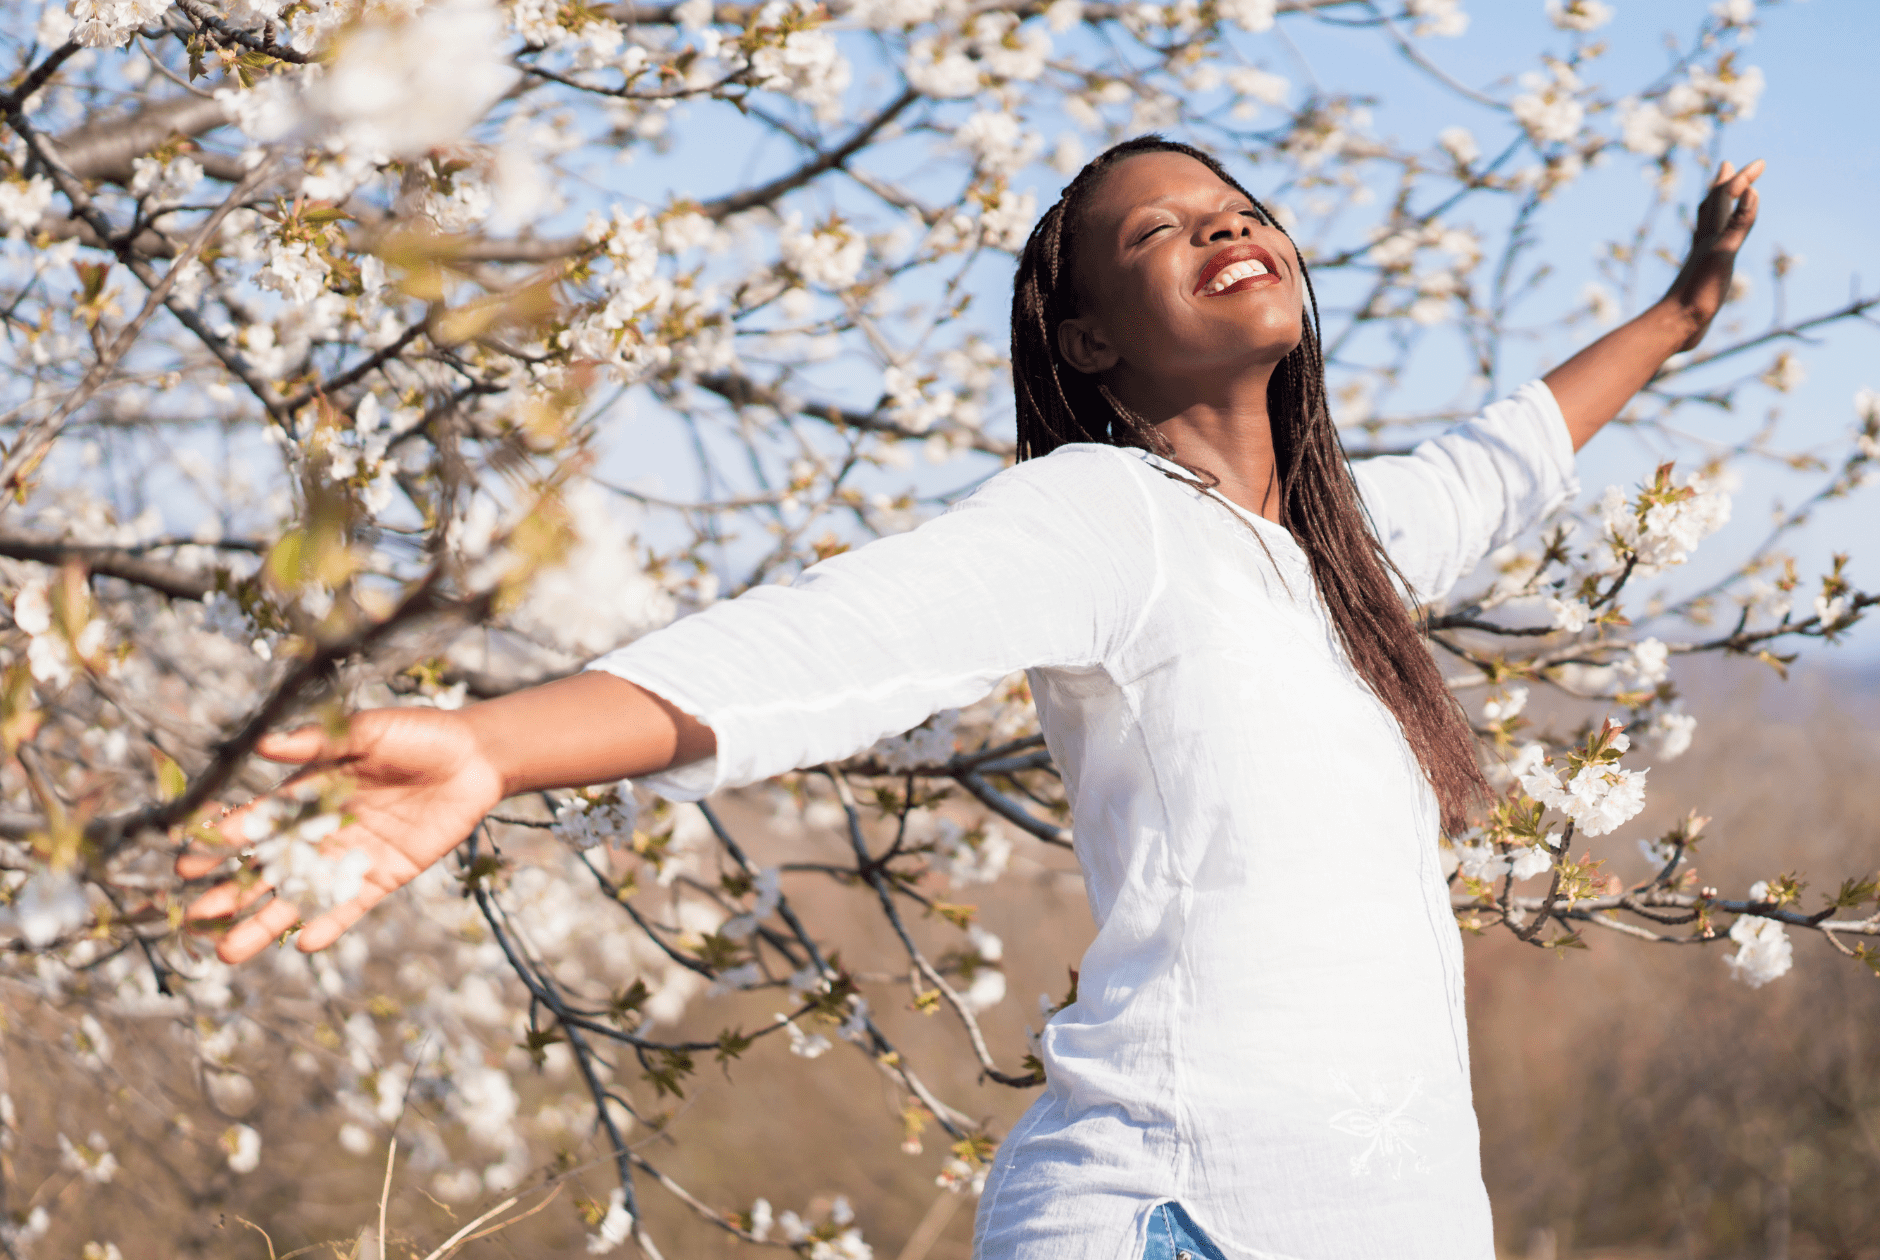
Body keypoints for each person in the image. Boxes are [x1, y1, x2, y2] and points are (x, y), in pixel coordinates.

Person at [182, 136, 1763, 1260]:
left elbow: (1515, 451)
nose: (1225, 228)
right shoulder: (1107, 515)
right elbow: (825, 644)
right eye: (1157, 233)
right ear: (1087, 338)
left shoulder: (1355, 551)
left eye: (1235, 206)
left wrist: (1684, 313)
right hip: (1179, 1212)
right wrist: (489, 744)